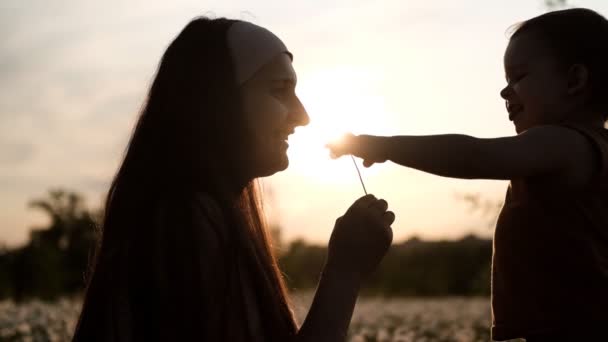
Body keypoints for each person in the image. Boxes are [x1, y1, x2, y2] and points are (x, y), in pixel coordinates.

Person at [73, 17, 396, 342]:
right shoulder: (190, 223)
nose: (302, 115)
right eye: (280, 90)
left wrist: (346, 270)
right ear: (219, 101)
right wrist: (343, 274)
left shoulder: (184, 214)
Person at [328, 8, 608, 341]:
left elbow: (475, 156)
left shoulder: (564, 142)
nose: (505, 93)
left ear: (574, 80)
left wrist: (385, 146)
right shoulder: (589, 149)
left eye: (518, 77)